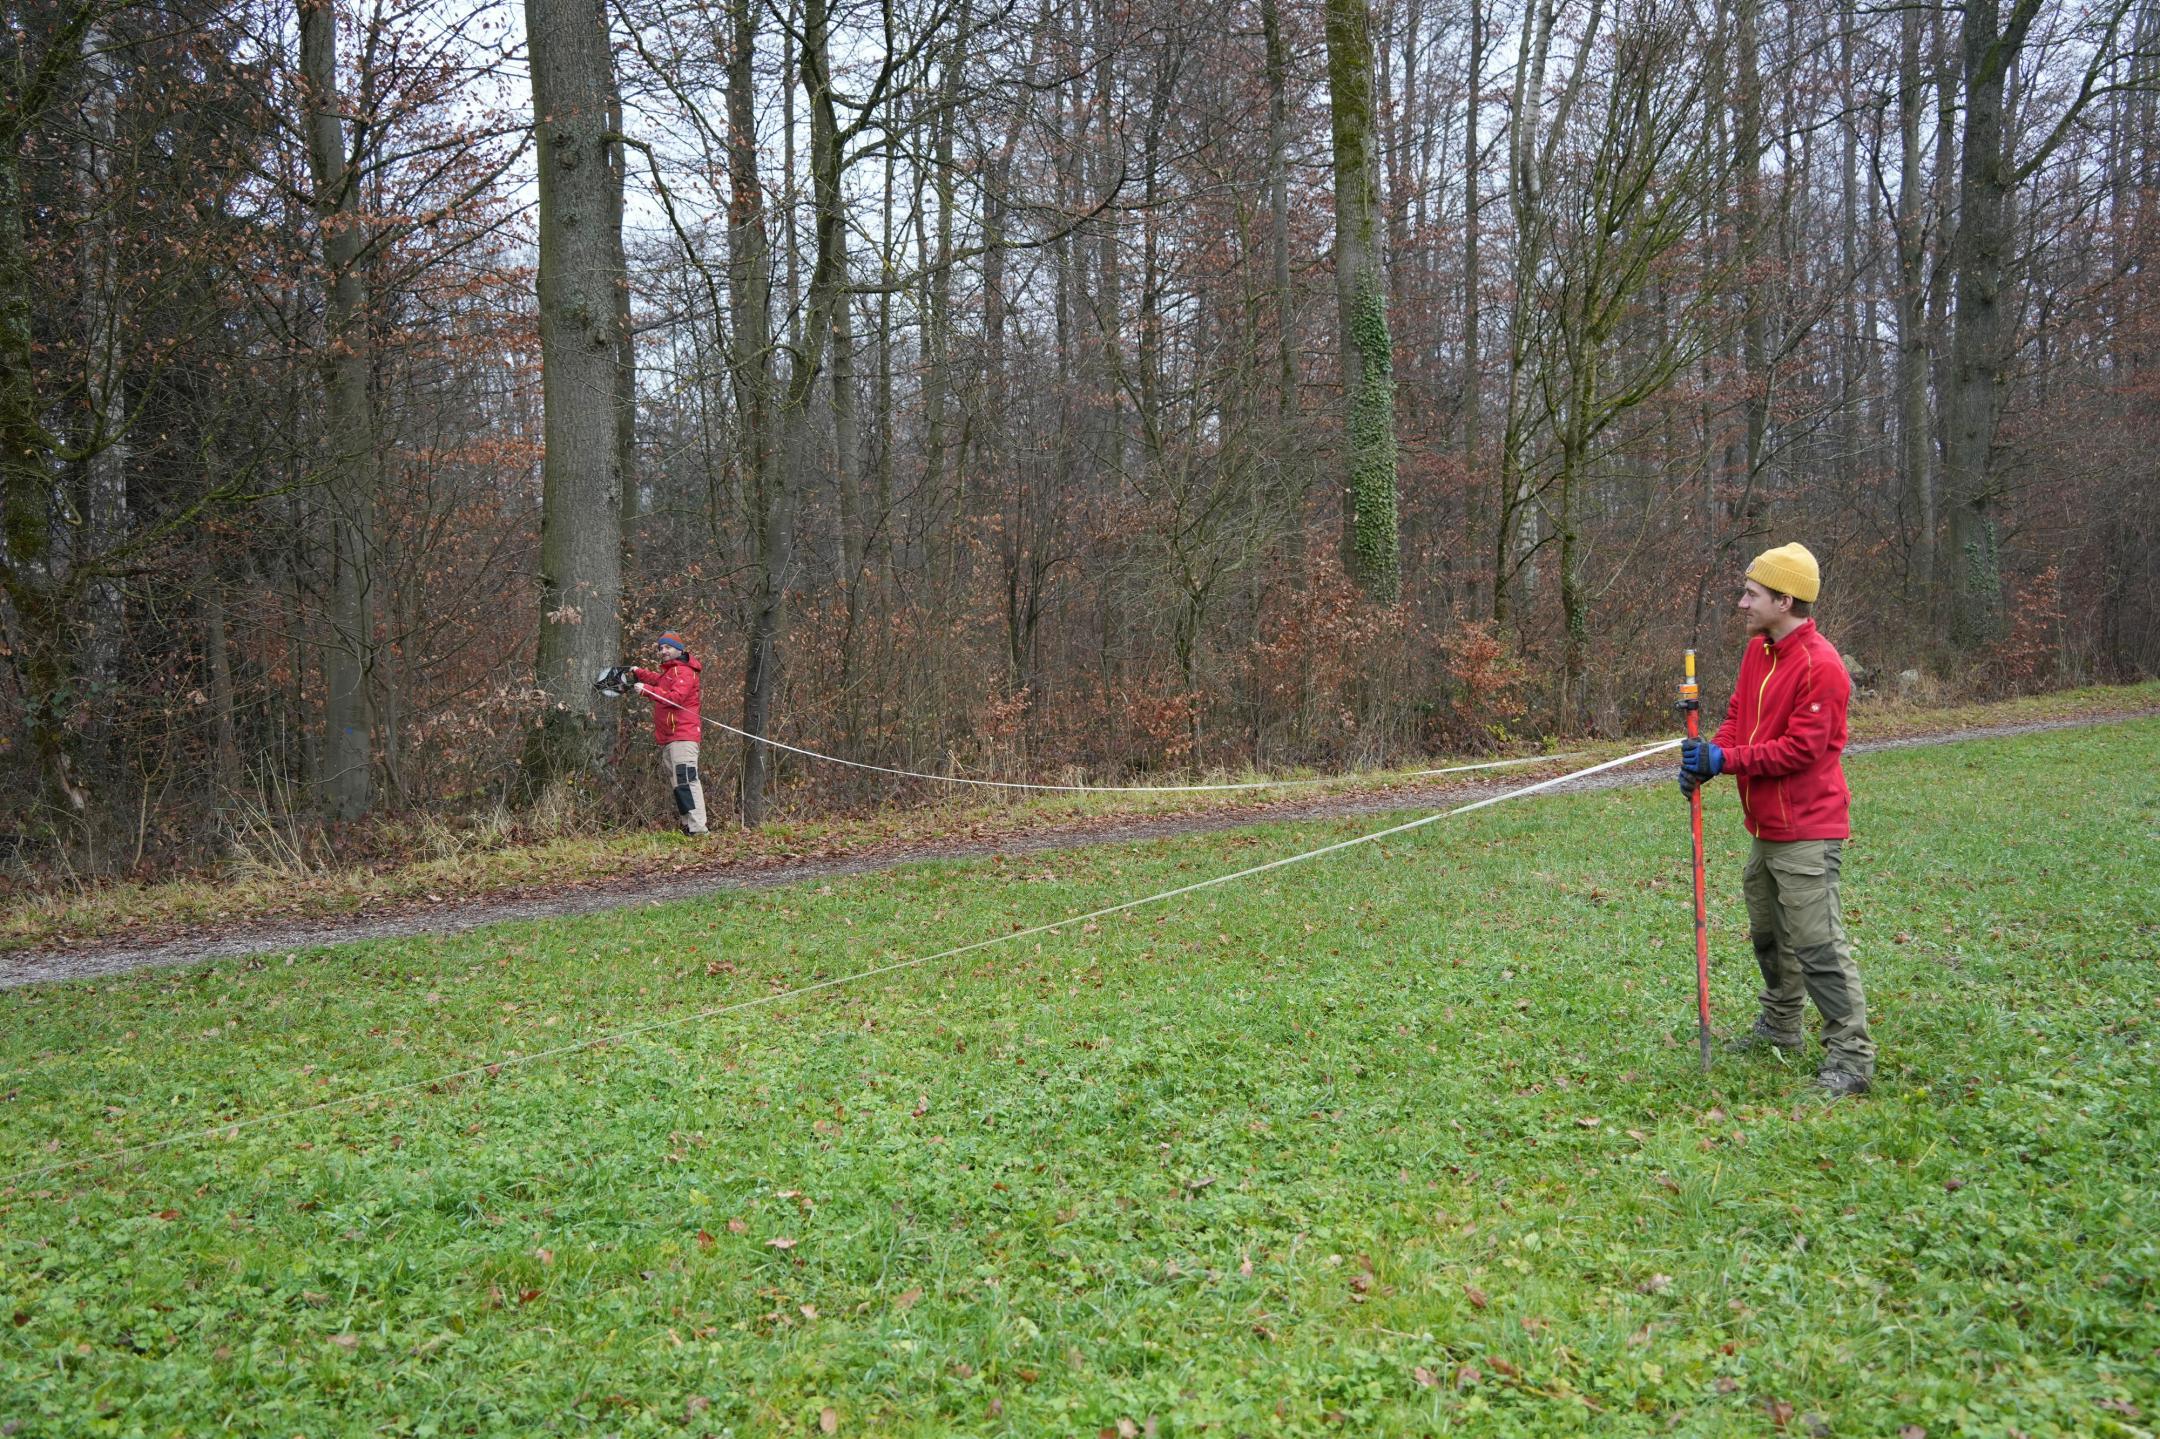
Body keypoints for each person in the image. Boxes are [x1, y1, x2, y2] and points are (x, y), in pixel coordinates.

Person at [1678, 543, 1876, 1098]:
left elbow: (1801, 752)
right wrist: (1707, 757)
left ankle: (1852, 1058)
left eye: (1752, 594)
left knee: (1817, 945)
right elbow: (1740, 716)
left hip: (1809, 830)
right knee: (1770, 935)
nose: (1742, 603)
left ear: (1785, 599)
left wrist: (1730, 759)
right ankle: (1781, 1025)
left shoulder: (1823, 666)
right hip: (1764, 828)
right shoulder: (1758, 652)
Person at [632, 632, 707, 836]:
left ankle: (698, 829)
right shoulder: (671, 673)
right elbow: (659, 681)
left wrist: (646, 690)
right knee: (678, 783)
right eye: (661, 648)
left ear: (679, 649)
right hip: (670, 739)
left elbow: (675, 698)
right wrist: (638, 672)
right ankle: (688, 826)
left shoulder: (684, 671)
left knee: (687, 781)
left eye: (668, 647)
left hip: (683, 736)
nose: (663, 651)